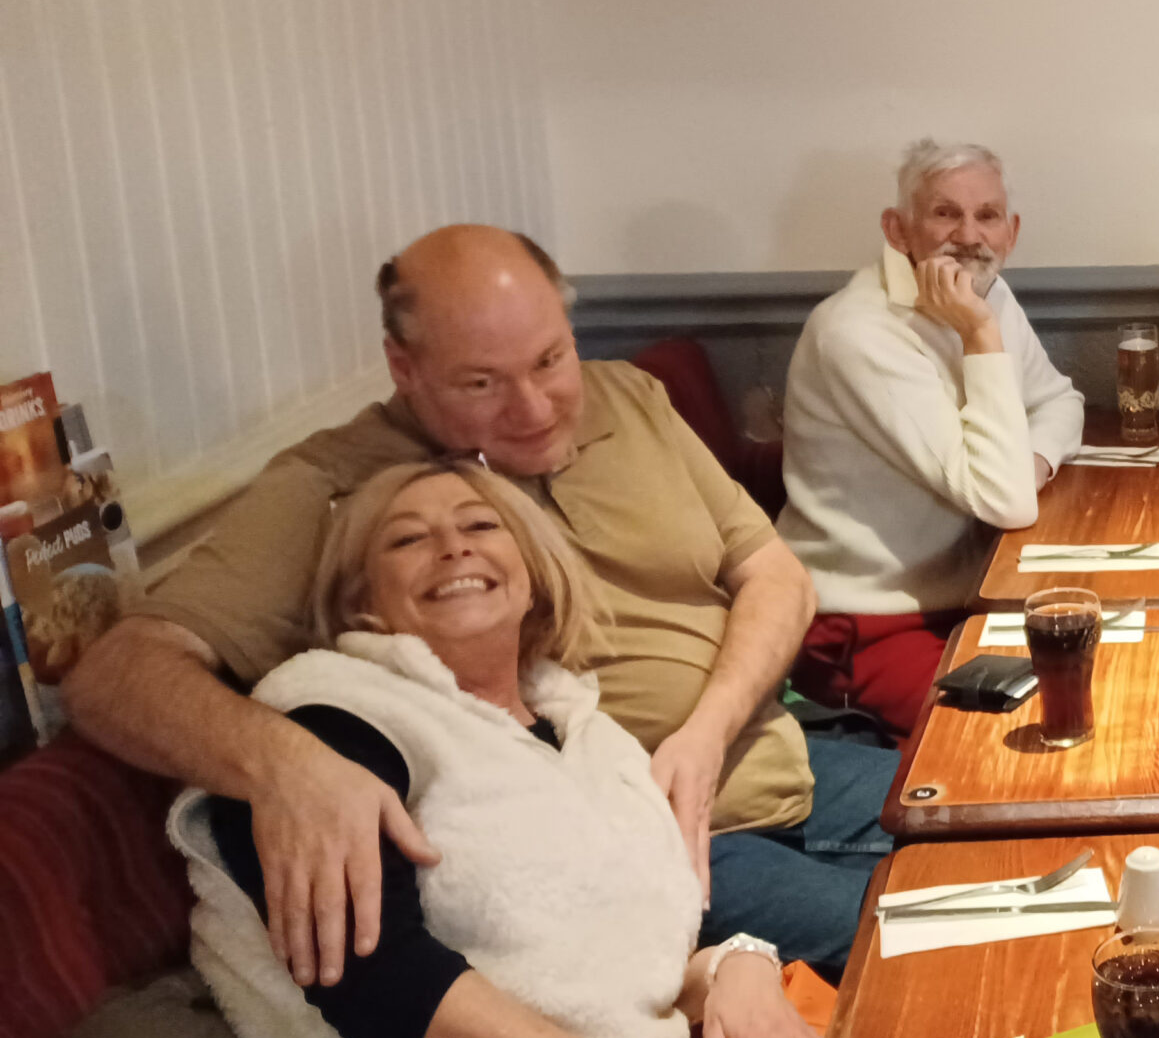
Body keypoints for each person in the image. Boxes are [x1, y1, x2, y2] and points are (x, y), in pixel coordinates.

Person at [65, 226, 892, 987]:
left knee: (1012, 835)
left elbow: (774, 574)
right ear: (403, 369)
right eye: (481, 383)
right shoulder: (334, 484)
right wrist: (288, 767)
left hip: (779, 757)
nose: (533, 409)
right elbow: (115, 677)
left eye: (550, 361)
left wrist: (707, 733)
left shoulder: (630, 397)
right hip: (658, 850)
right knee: (943, 937)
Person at [167, 461, 812, 1038]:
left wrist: (741, 964)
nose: (451, 547)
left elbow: (634, 968)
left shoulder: (592, 734)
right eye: (407, 538)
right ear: (362, 601)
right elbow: (372, 984)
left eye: (479, 525)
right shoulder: (325, 718)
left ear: (533, 571)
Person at [778, 140, 1083, 737]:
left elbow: (1059, 399)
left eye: (987, 216)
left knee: (1093, 679)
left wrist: (1031, 464)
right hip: (864, 623)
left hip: (968, 595)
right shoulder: (858, 331)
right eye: (946, 213)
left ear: (1011, 231)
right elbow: (1006, 502)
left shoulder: (984, 293)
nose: (969, 236)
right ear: (899, 229)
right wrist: (977, 333)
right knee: (1016, 732)